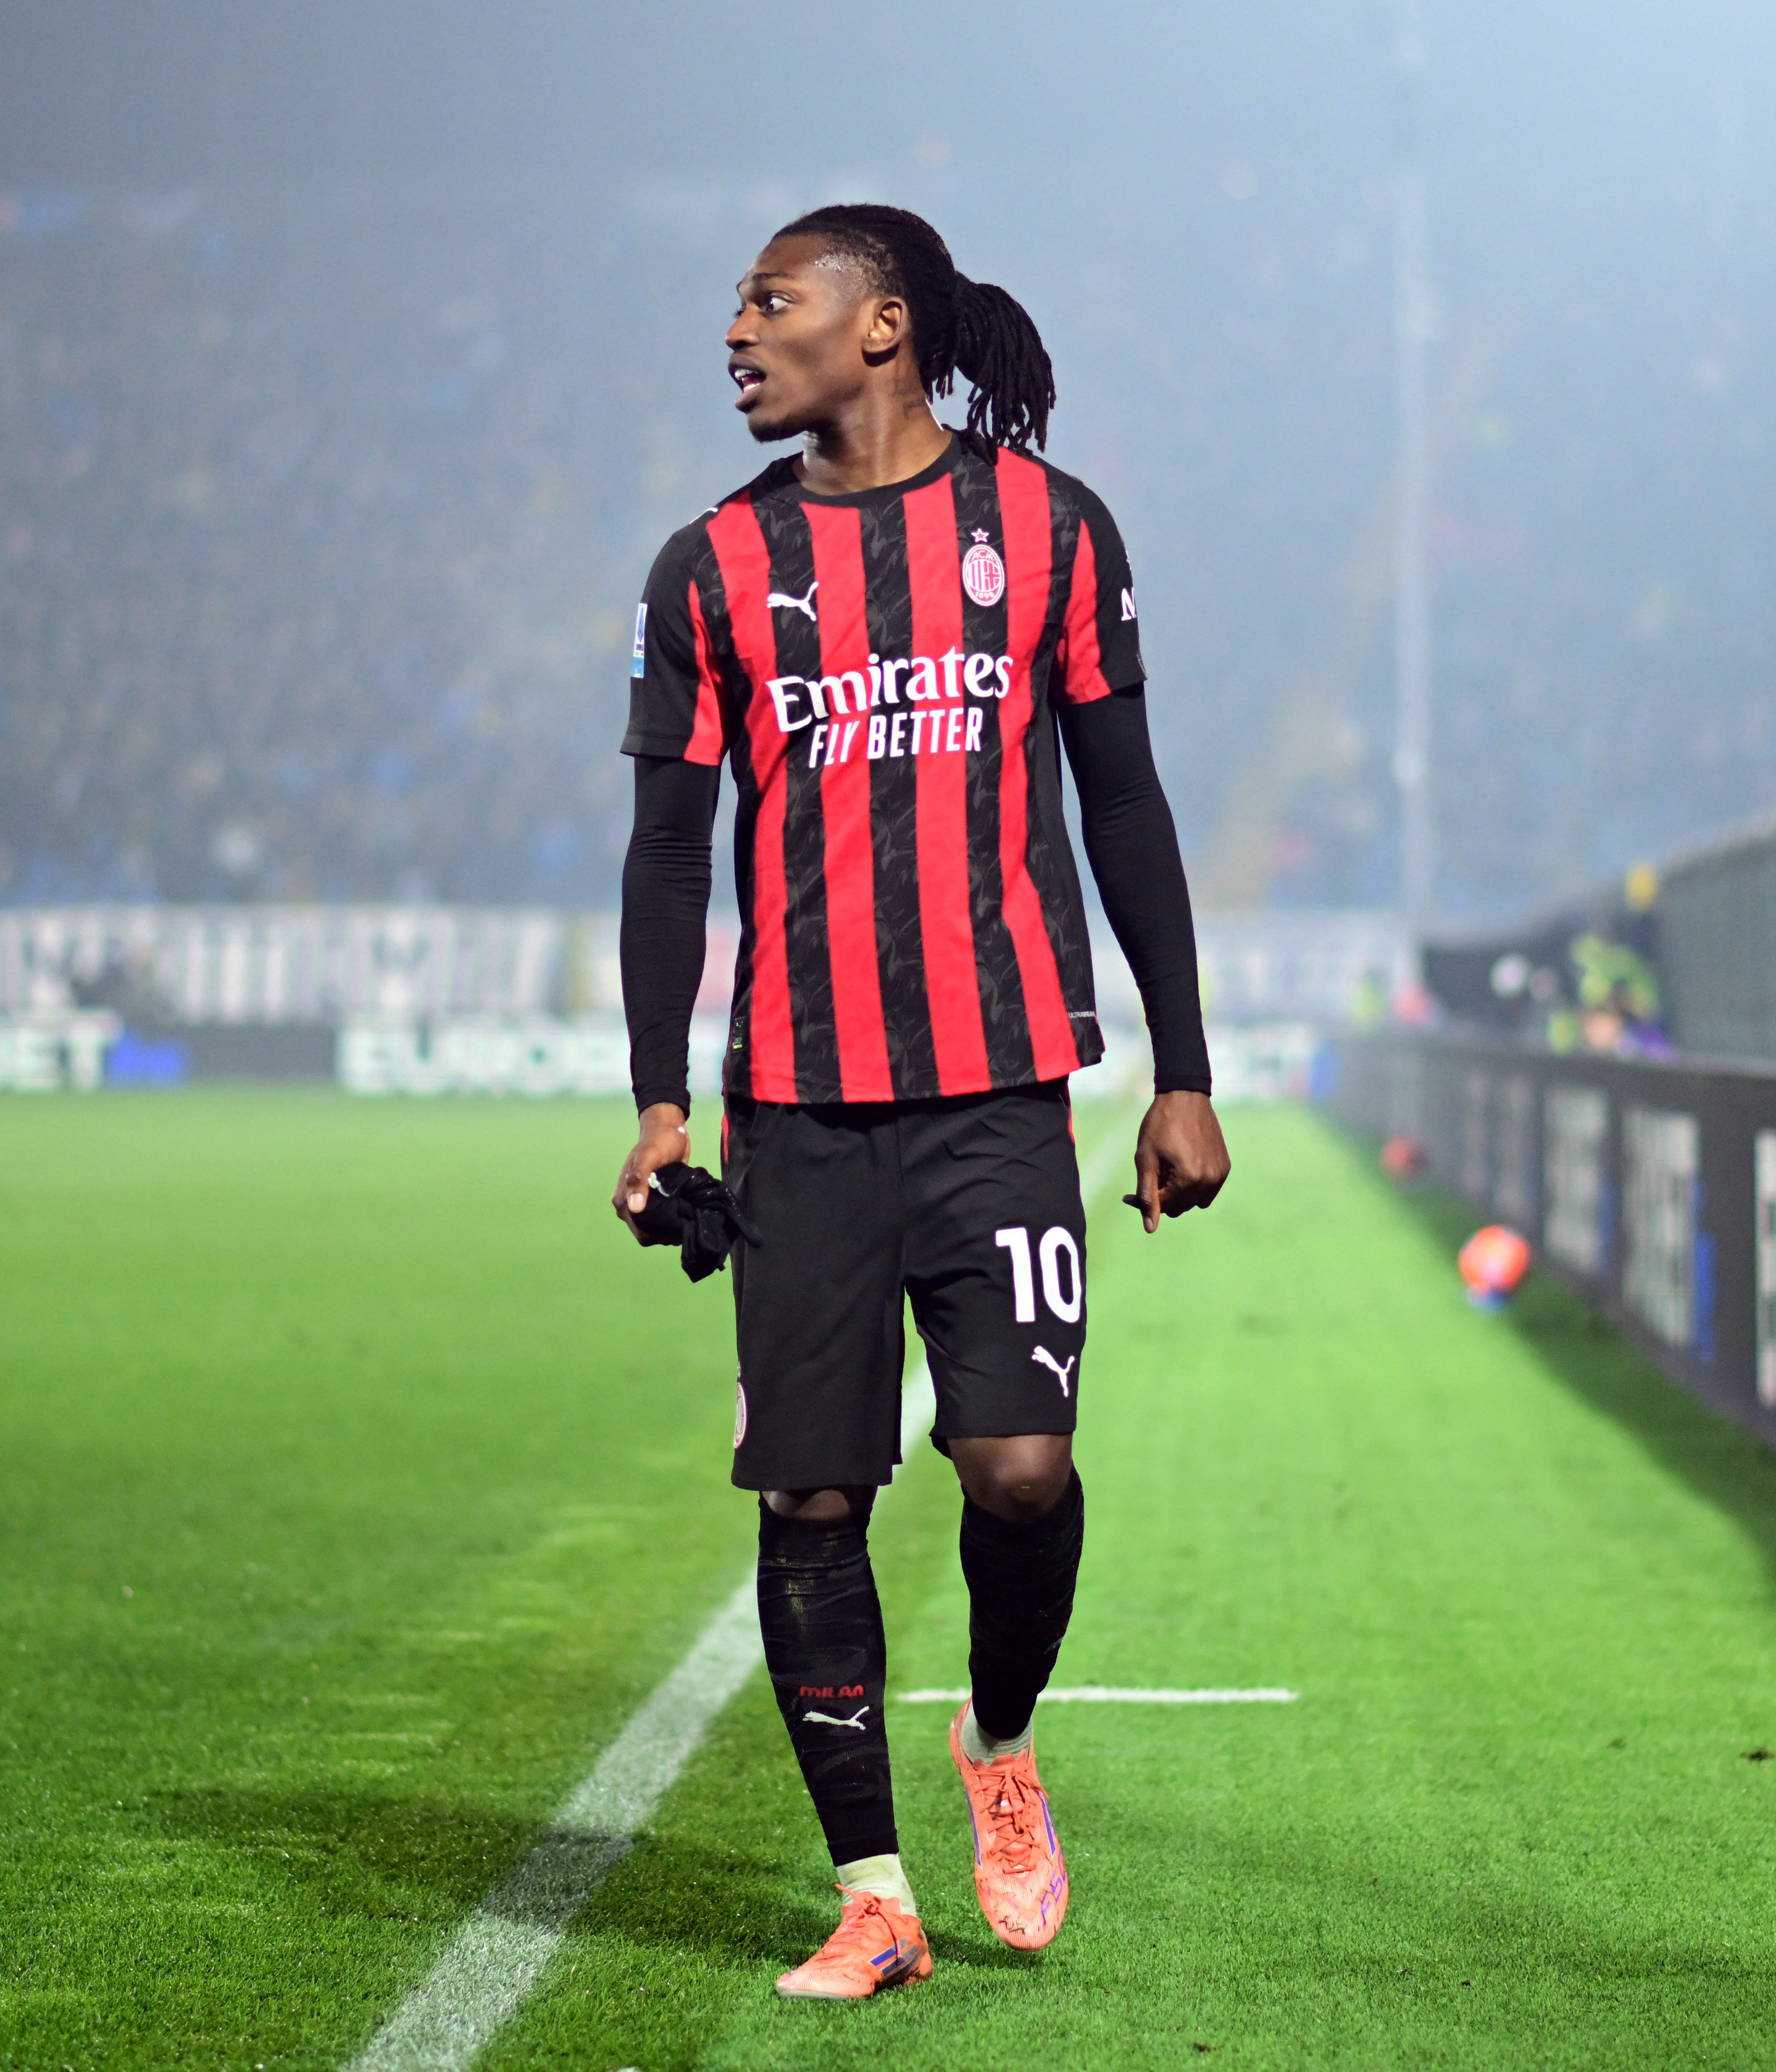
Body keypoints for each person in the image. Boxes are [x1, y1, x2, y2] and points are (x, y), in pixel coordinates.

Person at [610, 203, 1228, 1997]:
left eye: (770, 301)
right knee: (810, 1503)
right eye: (736, 302)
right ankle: (875, 1890)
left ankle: (1002, 1746)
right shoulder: (710, 566)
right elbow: (668, 849)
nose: (737, 330)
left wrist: (1182, 1070)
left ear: (880, 326)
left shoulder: (1048, 529)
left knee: (1019, 1473)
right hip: (794, 1117)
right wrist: (661, 1106)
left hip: (996, 1103)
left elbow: (1124, 805)